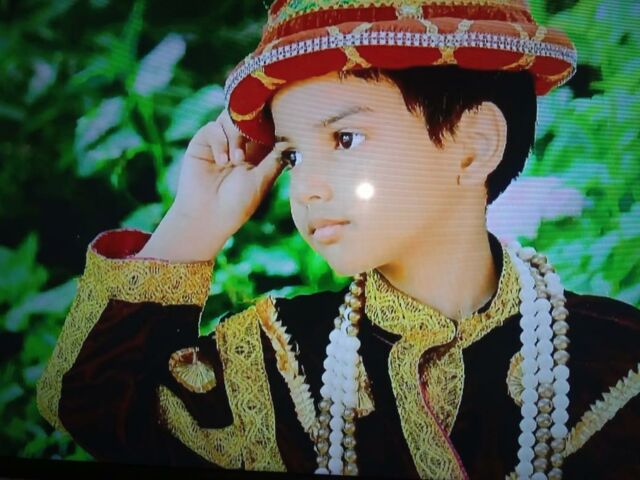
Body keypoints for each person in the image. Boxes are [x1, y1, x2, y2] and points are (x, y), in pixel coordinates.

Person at [37, 1, 640, 478]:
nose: (307, 189)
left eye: (345, 140)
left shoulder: (616, 363)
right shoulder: (279, 361)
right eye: (293, 156)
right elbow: (93, 406)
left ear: (472, 144)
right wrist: (193, 222)